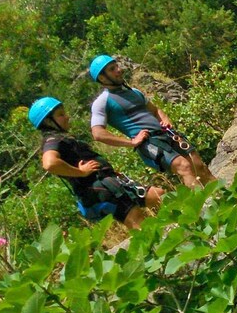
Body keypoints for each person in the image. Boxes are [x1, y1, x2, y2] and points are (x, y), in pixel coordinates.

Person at [29, 96, 163, 230]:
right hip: (98, 189)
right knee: (137, 219)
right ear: (48, 122)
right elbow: (50, 163)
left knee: (158, 195)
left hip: (110, 182)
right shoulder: (52, 140)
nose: (67, 117)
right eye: (60, 115)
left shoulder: (61, 138)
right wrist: (81, 172)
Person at [88, 55, 215, 189]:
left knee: (199, 165)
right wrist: (131, 143)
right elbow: (98, 134)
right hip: (149, 143)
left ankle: (227, 197)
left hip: (166, 134)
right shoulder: (102, 102)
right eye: (112, 69)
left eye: (117, 66)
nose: (119, 70)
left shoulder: (134, 92)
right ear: (102, 78)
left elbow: (155, 110)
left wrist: (165, 119)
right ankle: (204, 206)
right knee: (184, 167)